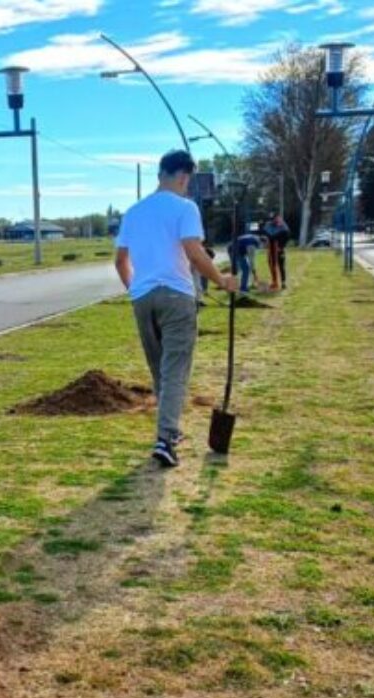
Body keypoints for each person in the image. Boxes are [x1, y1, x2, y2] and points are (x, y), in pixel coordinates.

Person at [115, 150, 237, 468]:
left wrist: (136, 290)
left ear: (160, 174)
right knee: (175, 371)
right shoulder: (185, 208)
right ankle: (166, 438)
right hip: (176, 296)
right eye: (188, 180)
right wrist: (221, 280)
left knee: (161, 370)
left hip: (143, 299)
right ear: (183, 176)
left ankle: (169, 431)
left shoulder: (133, 212)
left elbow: (120, 260)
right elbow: (194, 253)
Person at [265, 214, 291, 290]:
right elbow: (269, 235)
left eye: (279, 219)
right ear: (273, 219)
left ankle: (283, 283)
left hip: (279, 249)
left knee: (281, 265)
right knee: (272, 265)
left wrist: (281, 246)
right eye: (276, 219)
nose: (278, 220)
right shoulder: (269, 226)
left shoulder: (284, 227)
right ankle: (274, 282)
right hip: (271, 249)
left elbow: (287, 236)